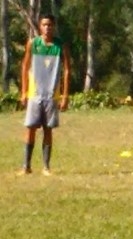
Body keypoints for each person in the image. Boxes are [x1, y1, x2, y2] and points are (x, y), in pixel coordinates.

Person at [19, 14, 71, 176]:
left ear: (54, 26)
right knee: (31, 128)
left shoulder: (60, 46)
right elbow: (25, 66)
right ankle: (26, 166)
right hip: (35, 94)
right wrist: (24, 92)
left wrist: (64, 95)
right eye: (44, 25)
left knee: (48, 130)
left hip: (51, 95)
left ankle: (46, 167)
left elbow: (67, 70)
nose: (47, 27)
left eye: (50, 25)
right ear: (40, 27)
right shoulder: (33, 44)